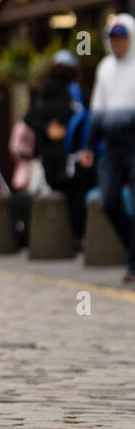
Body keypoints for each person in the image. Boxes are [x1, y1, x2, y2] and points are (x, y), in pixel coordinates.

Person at [78, 15, 135, 280]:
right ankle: (132, 252)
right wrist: (89, 145)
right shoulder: (104, 68)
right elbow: (97, 111)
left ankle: (133, 264)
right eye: (113, 39)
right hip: (112, 147)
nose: (118, 44)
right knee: (109, 201)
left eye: (122, 38)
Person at [25, 52, 88, 241]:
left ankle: (62, 238)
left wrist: (45, 129)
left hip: (52, 155)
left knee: (60, 194)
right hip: (71, 155)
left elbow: (29, 117)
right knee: (74, 196)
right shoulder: (74, 92)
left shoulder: (46, 91)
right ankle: (76, 237)